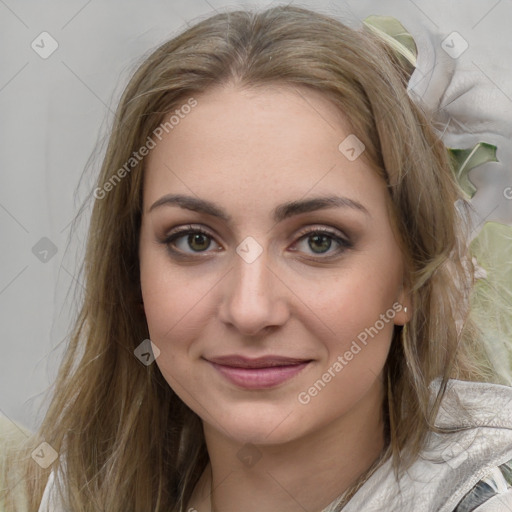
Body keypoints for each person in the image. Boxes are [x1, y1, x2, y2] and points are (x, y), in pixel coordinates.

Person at [1, 5, 511, 512]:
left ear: (411, 280)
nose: (250, 310)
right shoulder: (79, 485)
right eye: (194, 240)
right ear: (133, 276)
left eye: (319, 241)